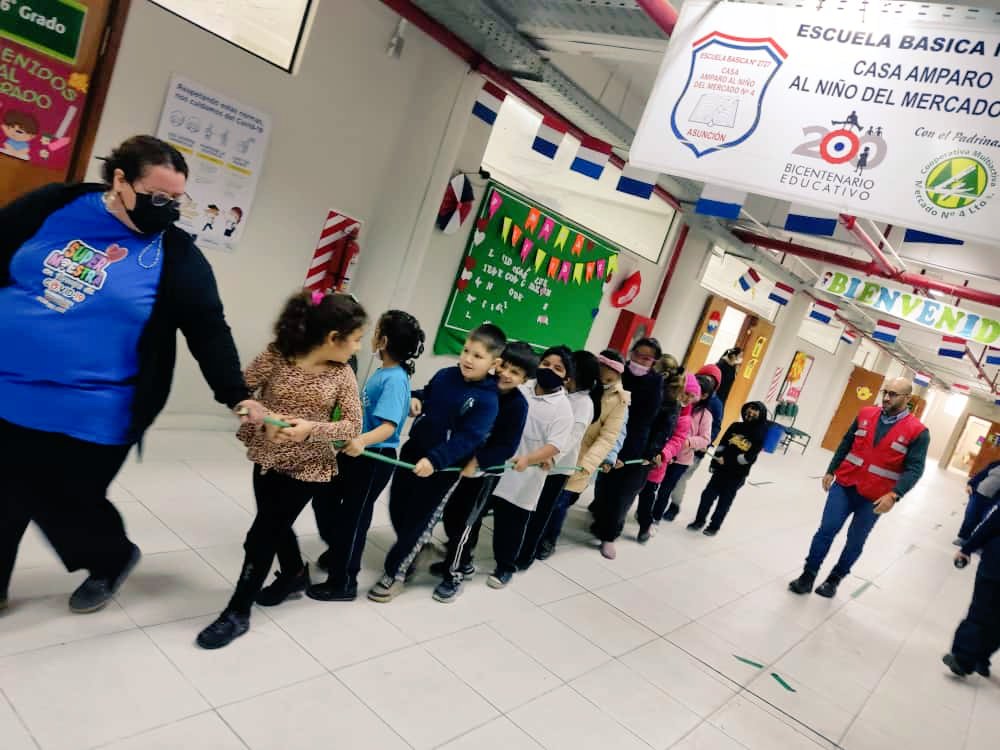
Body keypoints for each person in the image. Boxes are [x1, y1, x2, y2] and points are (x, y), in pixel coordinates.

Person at [0, 135, 264, 615]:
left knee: (66, 501)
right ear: (120, 180)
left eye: (176, 199)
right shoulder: (55, 205)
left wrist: (236, 394)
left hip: (97, 407)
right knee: (5, 491)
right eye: (158, 197)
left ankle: (112, 558)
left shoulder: (176, 255)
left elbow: (207, 327)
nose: (168, 209)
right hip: (9, 388)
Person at [196, 291, 366, 649]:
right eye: (356, 339)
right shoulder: (278, 354)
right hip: (268, 456)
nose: (358, 347)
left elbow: (352, 425)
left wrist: (311, 429)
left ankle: (237, 612)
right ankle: (293, 574)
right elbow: (240, 392)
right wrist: (260, 417)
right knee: (274, 523)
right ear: (333, 338)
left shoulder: (343, 374)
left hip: (307, 468)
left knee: (260, 536)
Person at [368, 324, 503, 603]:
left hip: (442, 468)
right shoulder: (446, 375)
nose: (468, 359)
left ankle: (396, 574)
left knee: (419, 520)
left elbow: (468, 439)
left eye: (478, 356)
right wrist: (416, 398)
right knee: (399, 508)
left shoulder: (488, 399)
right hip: (413, 454)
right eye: (466, 351)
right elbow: (427, 393)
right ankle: (416, 548)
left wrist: (436, 459)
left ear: (494, 363)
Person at [308, 310, 425, 602]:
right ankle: (339, 549)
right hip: (357, 453)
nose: (369, 338)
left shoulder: (395, 379)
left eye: (375, 332)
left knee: (354, 518)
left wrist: (361, 440)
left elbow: (389, 427)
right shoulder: (384, 372)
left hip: (374, 458)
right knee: (324, 497)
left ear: (383, 341)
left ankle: (343, 581)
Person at [789, 378, 929, 598]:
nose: (886, 397)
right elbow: (846, 442)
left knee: (855, 540)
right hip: (845, 485)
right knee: (826, 530)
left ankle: (834, 580)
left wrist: (895, 495)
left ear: (907, 398)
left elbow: (915, 469)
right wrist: (831, 470)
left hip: (875, 497)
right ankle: (808, 575)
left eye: (893, 394)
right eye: (885, 392)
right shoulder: (865, 414)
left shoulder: (918, 431)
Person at [432, 341, 535, 602]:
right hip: (458, 464)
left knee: (465, 524)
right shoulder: (481, 386)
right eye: (505, 366)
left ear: (524, 380)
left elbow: (507, 446)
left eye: (515, 372)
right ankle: (463, 561)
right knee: (451, 517)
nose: (506, 374)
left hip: (484, 474)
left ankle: (454, 574)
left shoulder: (518, 405)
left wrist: (478, 461)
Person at [482, 347, 575, 588]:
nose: (549, 370)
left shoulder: (563, 408)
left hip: (525, 474)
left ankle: (505, 567)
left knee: (511, 524)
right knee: (474, 513)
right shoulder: (521, 387)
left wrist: (529, 459)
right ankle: (461, 558)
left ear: (566, 378)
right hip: (494, 464)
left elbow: (555, 445)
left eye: (557, 368)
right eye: (546, 364)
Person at [539, 350, 630, 560]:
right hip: (553, 450)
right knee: (543, 499)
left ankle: (548, 540)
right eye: (601, 373)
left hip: (579, 460)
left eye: (609, 377)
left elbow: (609, 436)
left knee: (559, 504)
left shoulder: (620, 400)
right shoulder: (578, 385)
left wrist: (587, 465)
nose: (603, 379)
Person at [517, 349, 600, 569]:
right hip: (537, 461)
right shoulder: (560, 393)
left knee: (540, 513)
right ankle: (517, 547)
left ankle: (526, 555)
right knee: (526, 509)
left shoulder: (584, 403)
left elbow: (572, 436)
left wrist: (553, 457)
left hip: (556, 468)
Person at [589, 338, 665, 559]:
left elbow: (657, 422)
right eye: (637, 354)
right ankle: (600, 521)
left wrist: (651, 451)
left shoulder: (657, 384)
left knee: (623, 495)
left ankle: (609, 536)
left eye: (646, 358)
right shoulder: (620, 374)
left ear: (654, 362)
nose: (640, 360)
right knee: (604, 486)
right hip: (610, 438)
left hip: (638, 450)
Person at [638, 373, 710, 541]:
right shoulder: (662, 403)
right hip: (644, 456)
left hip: (665, 461)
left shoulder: (689, 415)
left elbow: (680, 438)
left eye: (692, 396)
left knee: (654, 493)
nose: (688, 399)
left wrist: (666, 452)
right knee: (631, 490)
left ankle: (648, 523)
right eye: (686, 393)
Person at [687, 400, 768, 535]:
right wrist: (714, 462)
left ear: (761, 414)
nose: (751, 412)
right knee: (707, 495)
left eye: (755, 410)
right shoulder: (735, 426)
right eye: (750, 408)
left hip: (737, 475)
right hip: (721, 470)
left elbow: (748, 458)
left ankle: (714, 527)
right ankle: (699, 521)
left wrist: (728, 461)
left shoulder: (759, 434)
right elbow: (722, 445)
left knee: (724, 502)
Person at [943, 503, 1000, 678]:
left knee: (980, 610)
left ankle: (964, 659)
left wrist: (967, 549)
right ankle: (981, 659)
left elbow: (992, 523)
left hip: (995, 565)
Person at [663, 364, 725, 522]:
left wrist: (700, 444)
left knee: (680, 480)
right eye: (704, 377)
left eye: (712, 381)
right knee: (664, 479)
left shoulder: (715, 404)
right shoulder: (685, 394)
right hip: (672, 447)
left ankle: (674, 505)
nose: (706, 382)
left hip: (693, 451)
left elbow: (715, 428)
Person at [955, 460, 1000, 546]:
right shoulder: (995, 464)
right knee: (970, 515)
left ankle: (977, 543)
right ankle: (963, 537)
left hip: (992, 500)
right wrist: (970, 484)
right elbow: (981, 474)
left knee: (985, 521)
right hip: (978, 493)